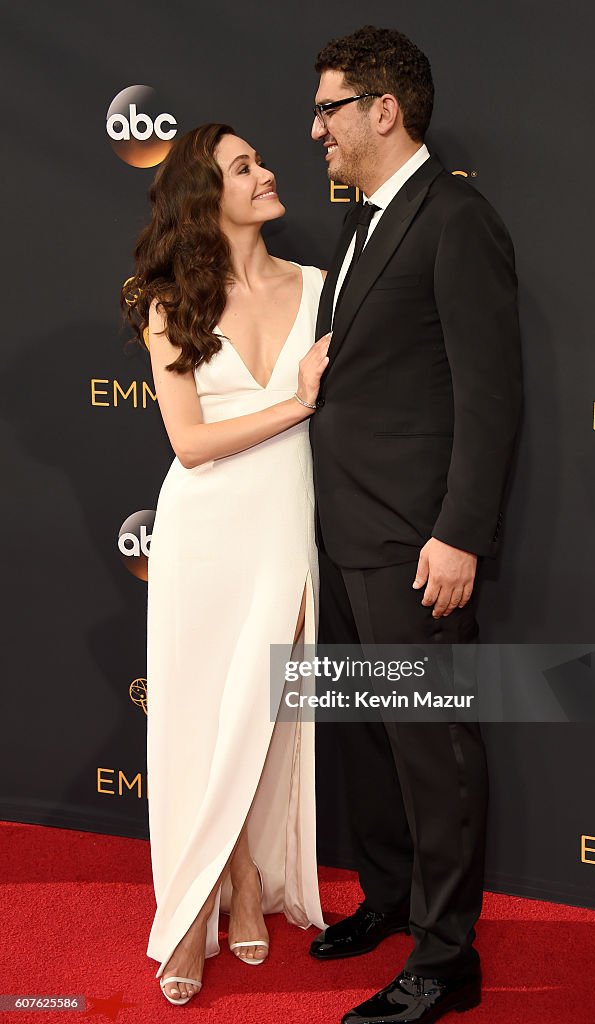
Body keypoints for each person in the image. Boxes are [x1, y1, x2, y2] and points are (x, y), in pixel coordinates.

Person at [307, 26, 523, 1024]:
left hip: (415, 543)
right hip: (345, 533)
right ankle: (390, 896)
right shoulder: (362, 226)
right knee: (367, 741)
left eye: (329, 109)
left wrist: (460, 533)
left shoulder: (454, 216)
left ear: (382, 110)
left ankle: (444, 958)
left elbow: (489, 395)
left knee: (431, 752)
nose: (316, 129)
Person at [122, 123, 329, 1006]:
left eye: (259, 160)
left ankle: (234, 882)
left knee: (258, 711)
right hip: (200, 533)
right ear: (206, 197)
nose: (268, 170)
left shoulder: (321, 289)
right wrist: (297, 403)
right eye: (244, 166)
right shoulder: (167, 302)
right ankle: (217, 890)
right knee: (203, 720)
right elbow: (190, 443)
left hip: (282, 523)